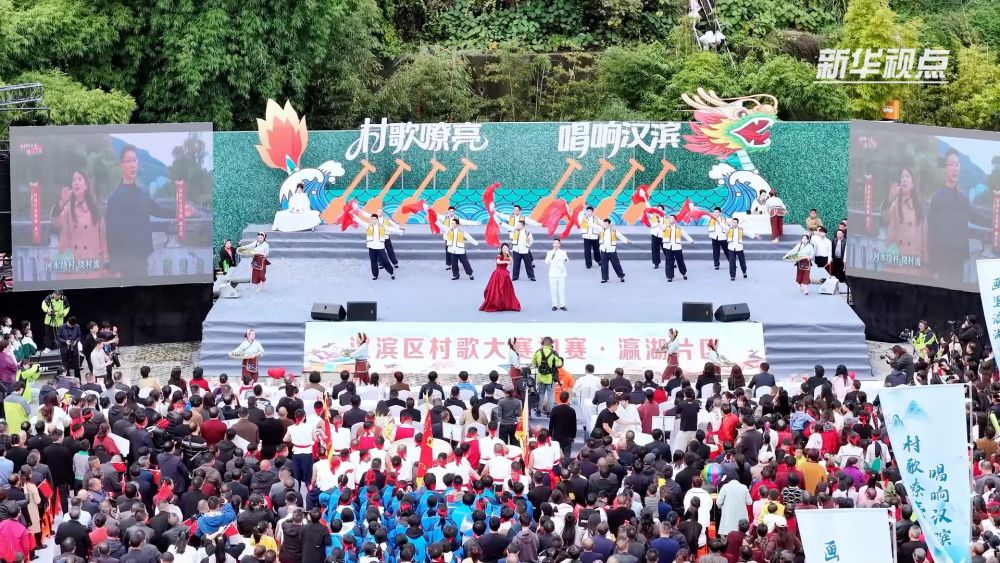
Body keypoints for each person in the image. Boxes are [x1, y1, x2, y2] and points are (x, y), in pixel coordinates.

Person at [105, 144, 179, 278]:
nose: (133, 164)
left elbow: (158, 210)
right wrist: (114, 267)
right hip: (123, 261)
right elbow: (110, 234)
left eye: (135, 160)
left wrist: (180, 211)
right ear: (121, 165)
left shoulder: (143, 192)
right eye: (128, 161)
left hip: (141, 259)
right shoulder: (114, 198)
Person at [927, 148, 992, 283]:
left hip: (959, 260)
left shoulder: (963, 196)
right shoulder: (937, 198)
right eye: (951, 164)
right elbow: (931, 233)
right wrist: (933, 268)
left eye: (957, 164)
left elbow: (975, 216)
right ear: (945, 169)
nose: (955, 168)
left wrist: (995, 221)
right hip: (942, 263)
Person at [52, 168, 108, 280]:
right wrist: (62, 202)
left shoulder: (95, 209)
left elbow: (103, 241)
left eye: (79, 179)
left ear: (86, 185)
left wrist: (106, 263)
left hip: (92, 267)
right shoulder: (68, 209)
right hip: (73, 268)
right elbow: (56, 223)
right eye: (74, 180)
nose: (76, 182)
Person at [881, 166, 927, 275]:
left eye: (907, 177)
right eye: (902, 177)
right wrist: (889, 199)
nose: (904, 180)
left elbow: (924, 238)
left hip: (913, 263)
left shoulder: (919, 207)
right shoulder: (895, 204)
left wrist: (926, 265)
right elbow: (885, 218)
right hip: (896, 263)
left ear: (913, 183)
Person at [480, 244, 521, 313]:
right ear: (501, 249)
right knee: (497, 290)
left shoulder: (508, 256)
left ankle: (504, 304)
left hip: (505, 275)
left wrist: (508, 255)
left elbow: (511, 262)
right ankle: (496, 304)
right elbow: (498, 262)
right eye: (504, 248)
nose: (505, 249)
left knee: (506, 290)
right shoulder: (499, 256)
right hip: (498, 274)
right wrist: (506, 261)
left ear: (508, 249)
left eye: (506, 248)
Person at [357, 213, 399, 281]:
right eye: (372, 219)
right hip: (371, 247)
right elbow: (359, 221)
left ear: (377, 219)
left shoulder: (382, 226)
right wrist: (352, 215)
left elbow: (391, 229)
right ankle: (375, 275)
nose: (373, 220)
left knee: (385, 261)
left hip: (380, 247)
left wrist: (400, 231)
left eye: (375, 219)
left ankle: (391, 273)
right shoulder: (368, 226)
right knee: (373, 262)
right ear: (371, 220)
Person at [532, 337, 563, 416]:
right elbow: (559, 364)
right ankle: (549, 412)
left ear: (543, 342)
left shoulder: (537, 352)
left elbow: (534, 364)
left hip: (540, 378)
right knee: (550, 395)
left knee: (541, 394)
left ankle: (539, 411)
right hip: (550, 378)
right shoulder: (554, 353)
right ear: (551, 343)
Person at [661, 214, 694, 283]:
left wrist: (691, 240)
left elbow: (685, 234)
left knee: (680, 261)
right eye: (669, 218)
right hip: (668, 247)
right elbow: (659, 226)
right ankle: (670, 276)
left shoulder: (679, 228)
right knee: (669, 262)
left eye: (671, 218)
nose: (669, 219)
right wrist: (658, 221)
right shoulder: (665, 227)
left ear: (674, 220)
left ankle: (684, 273)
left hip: (677, 247)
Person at [599, 218, 629, 283]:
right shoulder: (600, 230)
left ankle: (621, 276)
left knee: (616, 264)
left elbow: (620, 236)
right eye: (603, 224)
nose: (604, 225)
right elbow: (593, 225)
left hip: (612, 250)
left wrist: (626, 241)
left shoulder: (613, 230)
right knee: (604, 265)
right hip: (603, 250)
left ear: (609, 224)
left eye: (606, 224)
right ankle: (604, 278)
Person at [544, 238, 569, 311]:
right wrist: (553, 254)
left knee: (561, 290)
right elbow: (546, 262)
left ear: (559, 244)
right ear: (553, 244)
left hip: (561, 273)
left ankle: (562, 305)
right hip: (552, 274)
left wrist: (565, 259)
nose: (556, 244)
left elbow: (567, 260)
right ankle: (554, 305)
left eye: (557, 243)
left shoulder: (563, 252)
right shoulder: (549, 253)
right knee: (553, 290)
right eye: (554, 243)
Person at [647, 204, 666, 269]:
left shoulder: (665, 219)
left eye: (660, 209)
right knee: (655, 250)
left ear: (663, 210)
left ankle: (672, 261)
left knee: (666, 250)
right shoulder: (652, 216)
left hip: (663, 236)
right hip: (654, 235)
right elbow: (648, 211)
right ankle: (656, 263)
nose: (659, 210)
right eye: (658, 208)